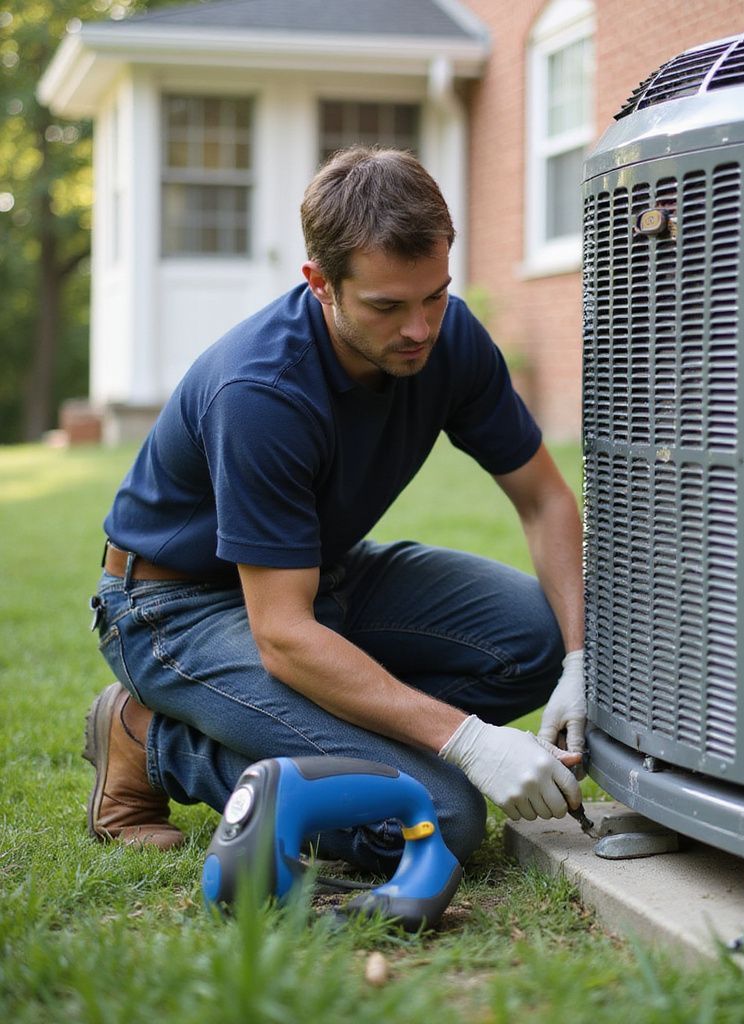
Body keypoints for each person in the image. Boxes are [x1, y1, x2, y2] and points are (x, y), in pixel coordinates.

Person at [83, 146, 587, 870]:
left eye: (435, 295)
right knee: (439, 811)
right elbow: (284, 633)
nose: (420, 328)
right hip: (177, 610)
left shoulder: (451, 338)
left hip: (322, 577)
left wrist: (578, 657)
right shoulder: (260, 392)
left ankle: (331, 727)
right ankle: (155, 742)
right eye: (387, 306)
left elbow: (543, 499)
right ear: (319, 283)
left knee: (534, 638)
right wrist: (469, 742)